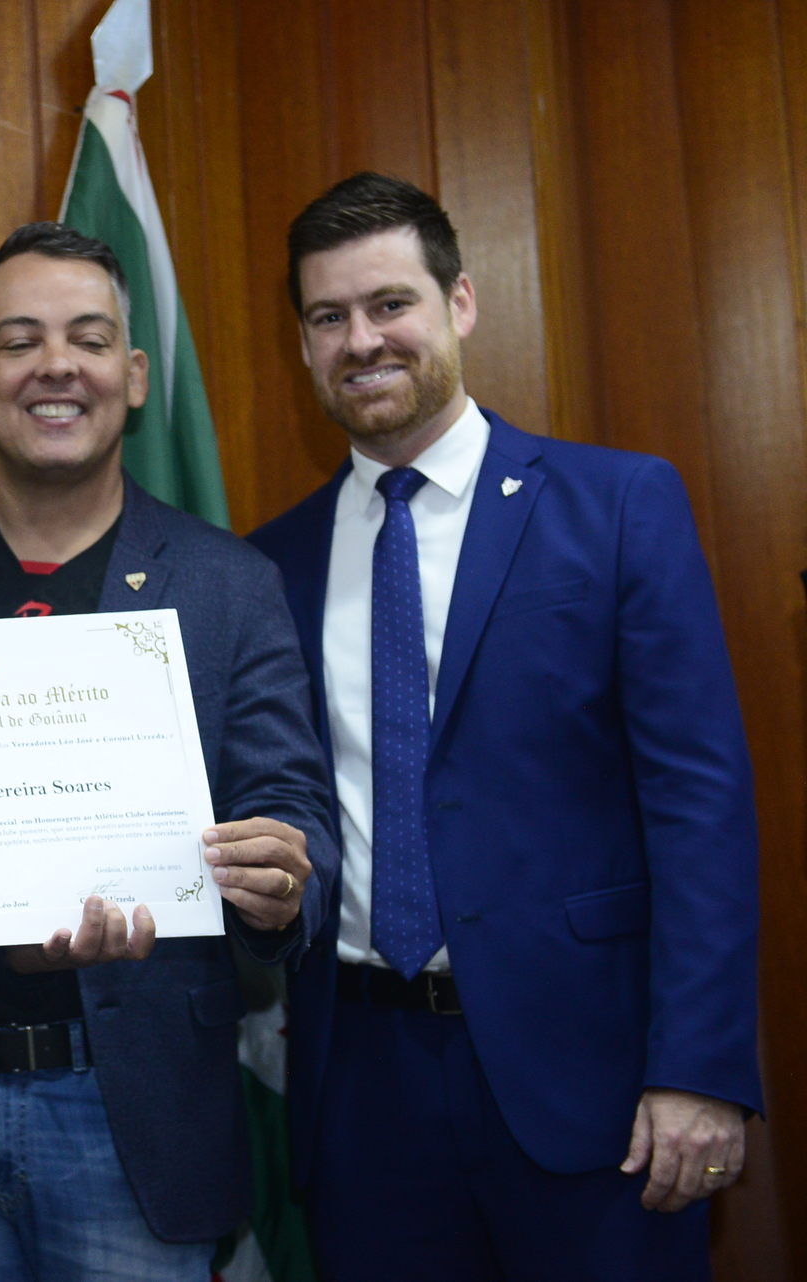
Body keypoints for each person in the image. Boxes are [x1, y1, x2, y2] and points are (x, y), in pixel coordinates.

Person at [247, 173, 762, 1281]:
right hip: (363, 1089)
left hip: (597, 1084)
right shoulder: (268, 565)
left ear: (461, 303)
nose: (362, 340)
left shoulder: (616, 505)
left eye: (391, 303)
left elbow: (701, 806)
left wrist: (701, 1067)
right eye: (329, 317)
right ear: (303, 345)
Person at [0, 222, 338, 1282]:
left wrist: (279, 879)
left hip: (134, 1110)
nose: (57, 365)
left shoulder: (228, 583)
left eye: (89, 337)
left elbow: (294, 807)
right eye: (20, 340)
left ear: (136, 374)